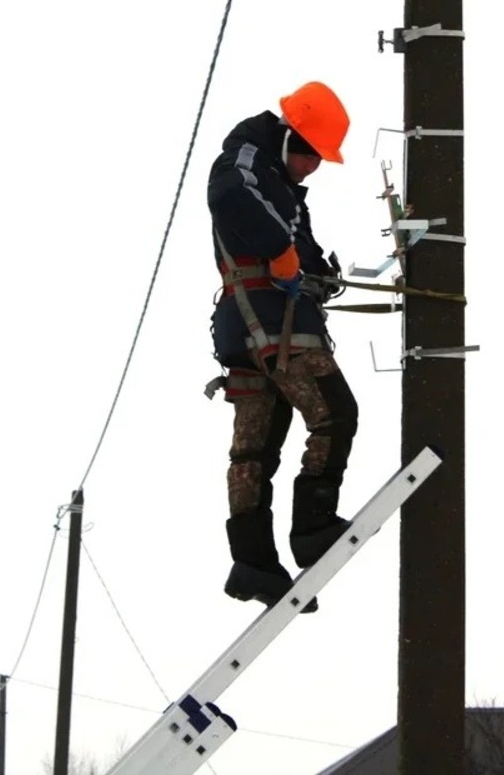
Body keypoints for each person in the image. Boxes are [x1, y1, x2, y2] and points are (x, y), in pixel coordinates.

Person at [206, 80, 360, 609]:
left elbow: (297, 243)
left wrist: (315, 270)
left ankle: (253, 563)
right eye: (310, 153)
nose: (312, 166)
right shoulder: (244, 159)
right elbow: (232, 201)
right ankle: (312, 527)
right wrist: (281, 253)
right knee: (335, 414)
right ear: (288, 133)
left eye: (321, 159)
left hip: (243, 329)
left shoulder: (279, 186)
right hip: (271, 320)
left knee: (256, 446)